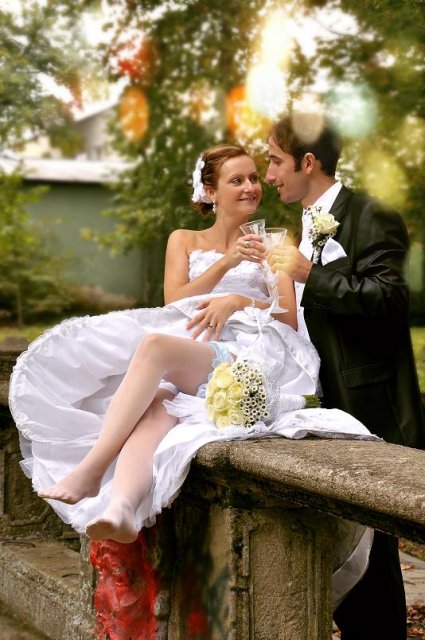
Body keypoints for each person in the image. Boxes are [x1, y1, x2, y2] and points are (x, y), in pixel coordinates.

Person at [9, 143, 376, 556]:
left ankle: (91, 470)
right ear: (211, 191)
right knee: (157, 405)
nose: (251, 187)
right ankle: (122, 508)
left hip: (249, 349)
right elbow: (174, 302)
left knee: (153, 347)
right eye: (236, 180)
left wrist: (238, 300)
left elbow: (287, 316)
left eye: (254, 178)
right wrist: (225, 263)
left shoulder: (273, 241)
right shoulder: (183, 240)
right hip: (195, 348)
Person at [265, 112, 425, 640]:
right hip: (321, 405)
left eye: (276, 161)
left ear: (308, 162)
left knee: (373, 556)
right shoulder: (303, 227)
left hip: (368, 406)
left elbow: (391, 299)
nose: (269, 175)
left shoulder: (372, 214)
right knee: (349, 552)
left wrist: (310, 275)